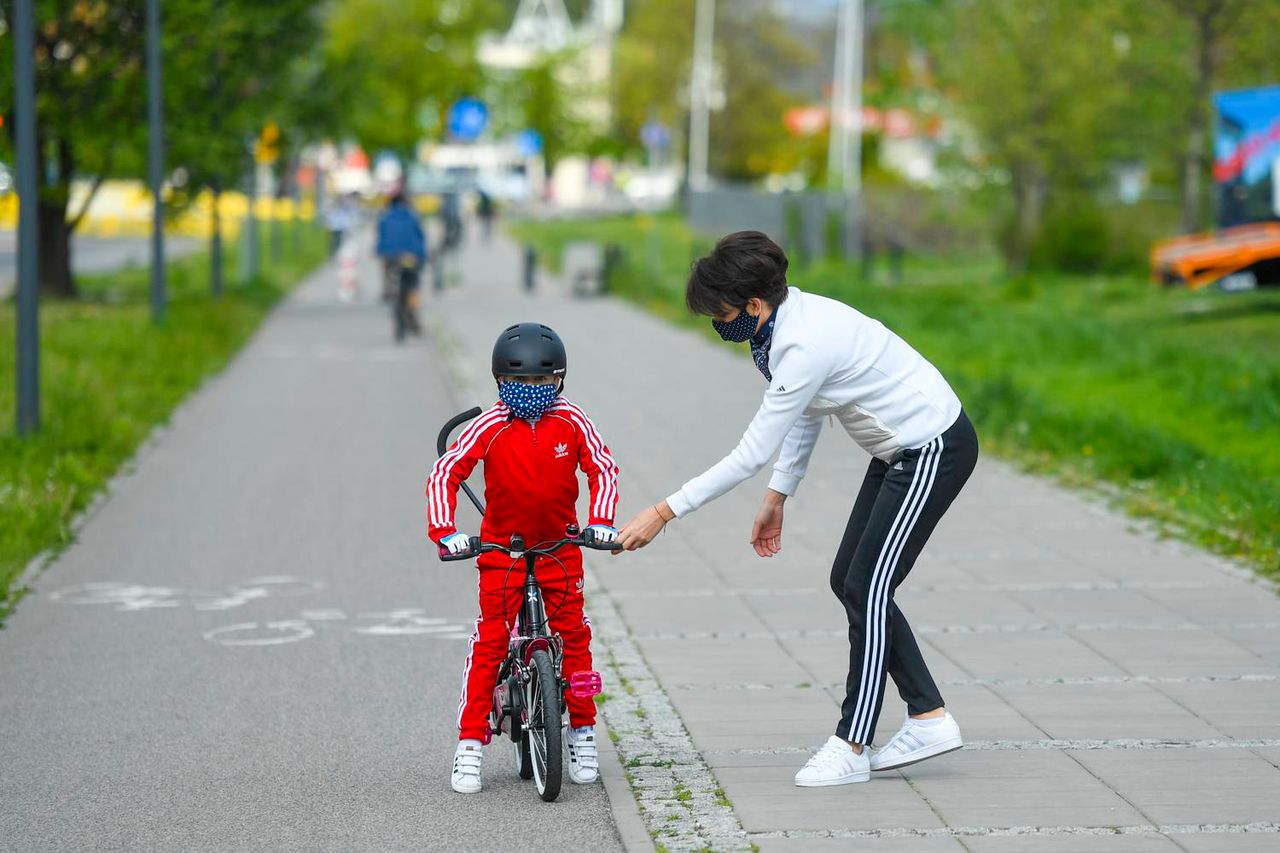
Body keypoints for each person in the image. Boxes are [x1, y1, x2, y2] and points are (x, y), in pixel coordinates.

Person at [616, 231, 979, 788]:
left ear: (754, 305)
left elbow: (748, 454)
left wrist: (663, 512)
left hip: (931, 448)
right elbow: (809, 409)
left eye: (721, 312)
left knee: (869, 588)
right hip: (897, 450)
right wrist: (777, 496)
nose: (718, 323)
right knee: (851, 581)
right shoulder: (786, 323)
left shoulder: (802, 342)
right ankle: (928, 715)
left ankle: (854, 743)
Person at [427, 323, 622, 794]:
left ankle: (582, 732)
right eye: (519, 383)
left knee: (574, 637)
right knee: (492, 640)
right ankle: (469, 745)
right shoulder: (488, 425)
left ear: (559, 379)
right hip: (501, 552)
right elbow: (446, 472)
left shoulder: (572, 420)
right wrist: (447, 532)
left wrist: (600, 520)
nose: (531, 392)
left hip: (560, 549)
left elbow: (603, 467)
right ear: (499, 382)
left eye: (542, 382)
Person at [375, 191, 427, 313]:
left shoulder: (385, 217)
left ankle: (388, 290)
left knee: (388, 272)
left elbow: (381, 237)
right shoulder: (413, 216)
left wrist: (379, 252)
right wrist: (423, 256)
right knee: (413, 282)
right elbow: (420, 237)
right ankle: (413, 311)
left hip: (390, 256)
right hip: (411, 256)